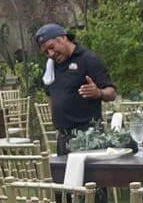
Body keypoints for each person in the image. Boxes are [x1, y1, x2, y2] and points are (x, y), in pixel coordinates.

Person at [35, 23, 116, 151]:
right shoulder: (50, 67)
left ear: (63, 38)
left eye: (51, 47)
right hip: (63, 138)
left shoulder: (88, 59)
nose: (50, 54)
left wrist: (99, 93)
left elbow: (111, 93)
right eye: (45, 52)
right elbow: (50, 96)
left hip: (88, 137)